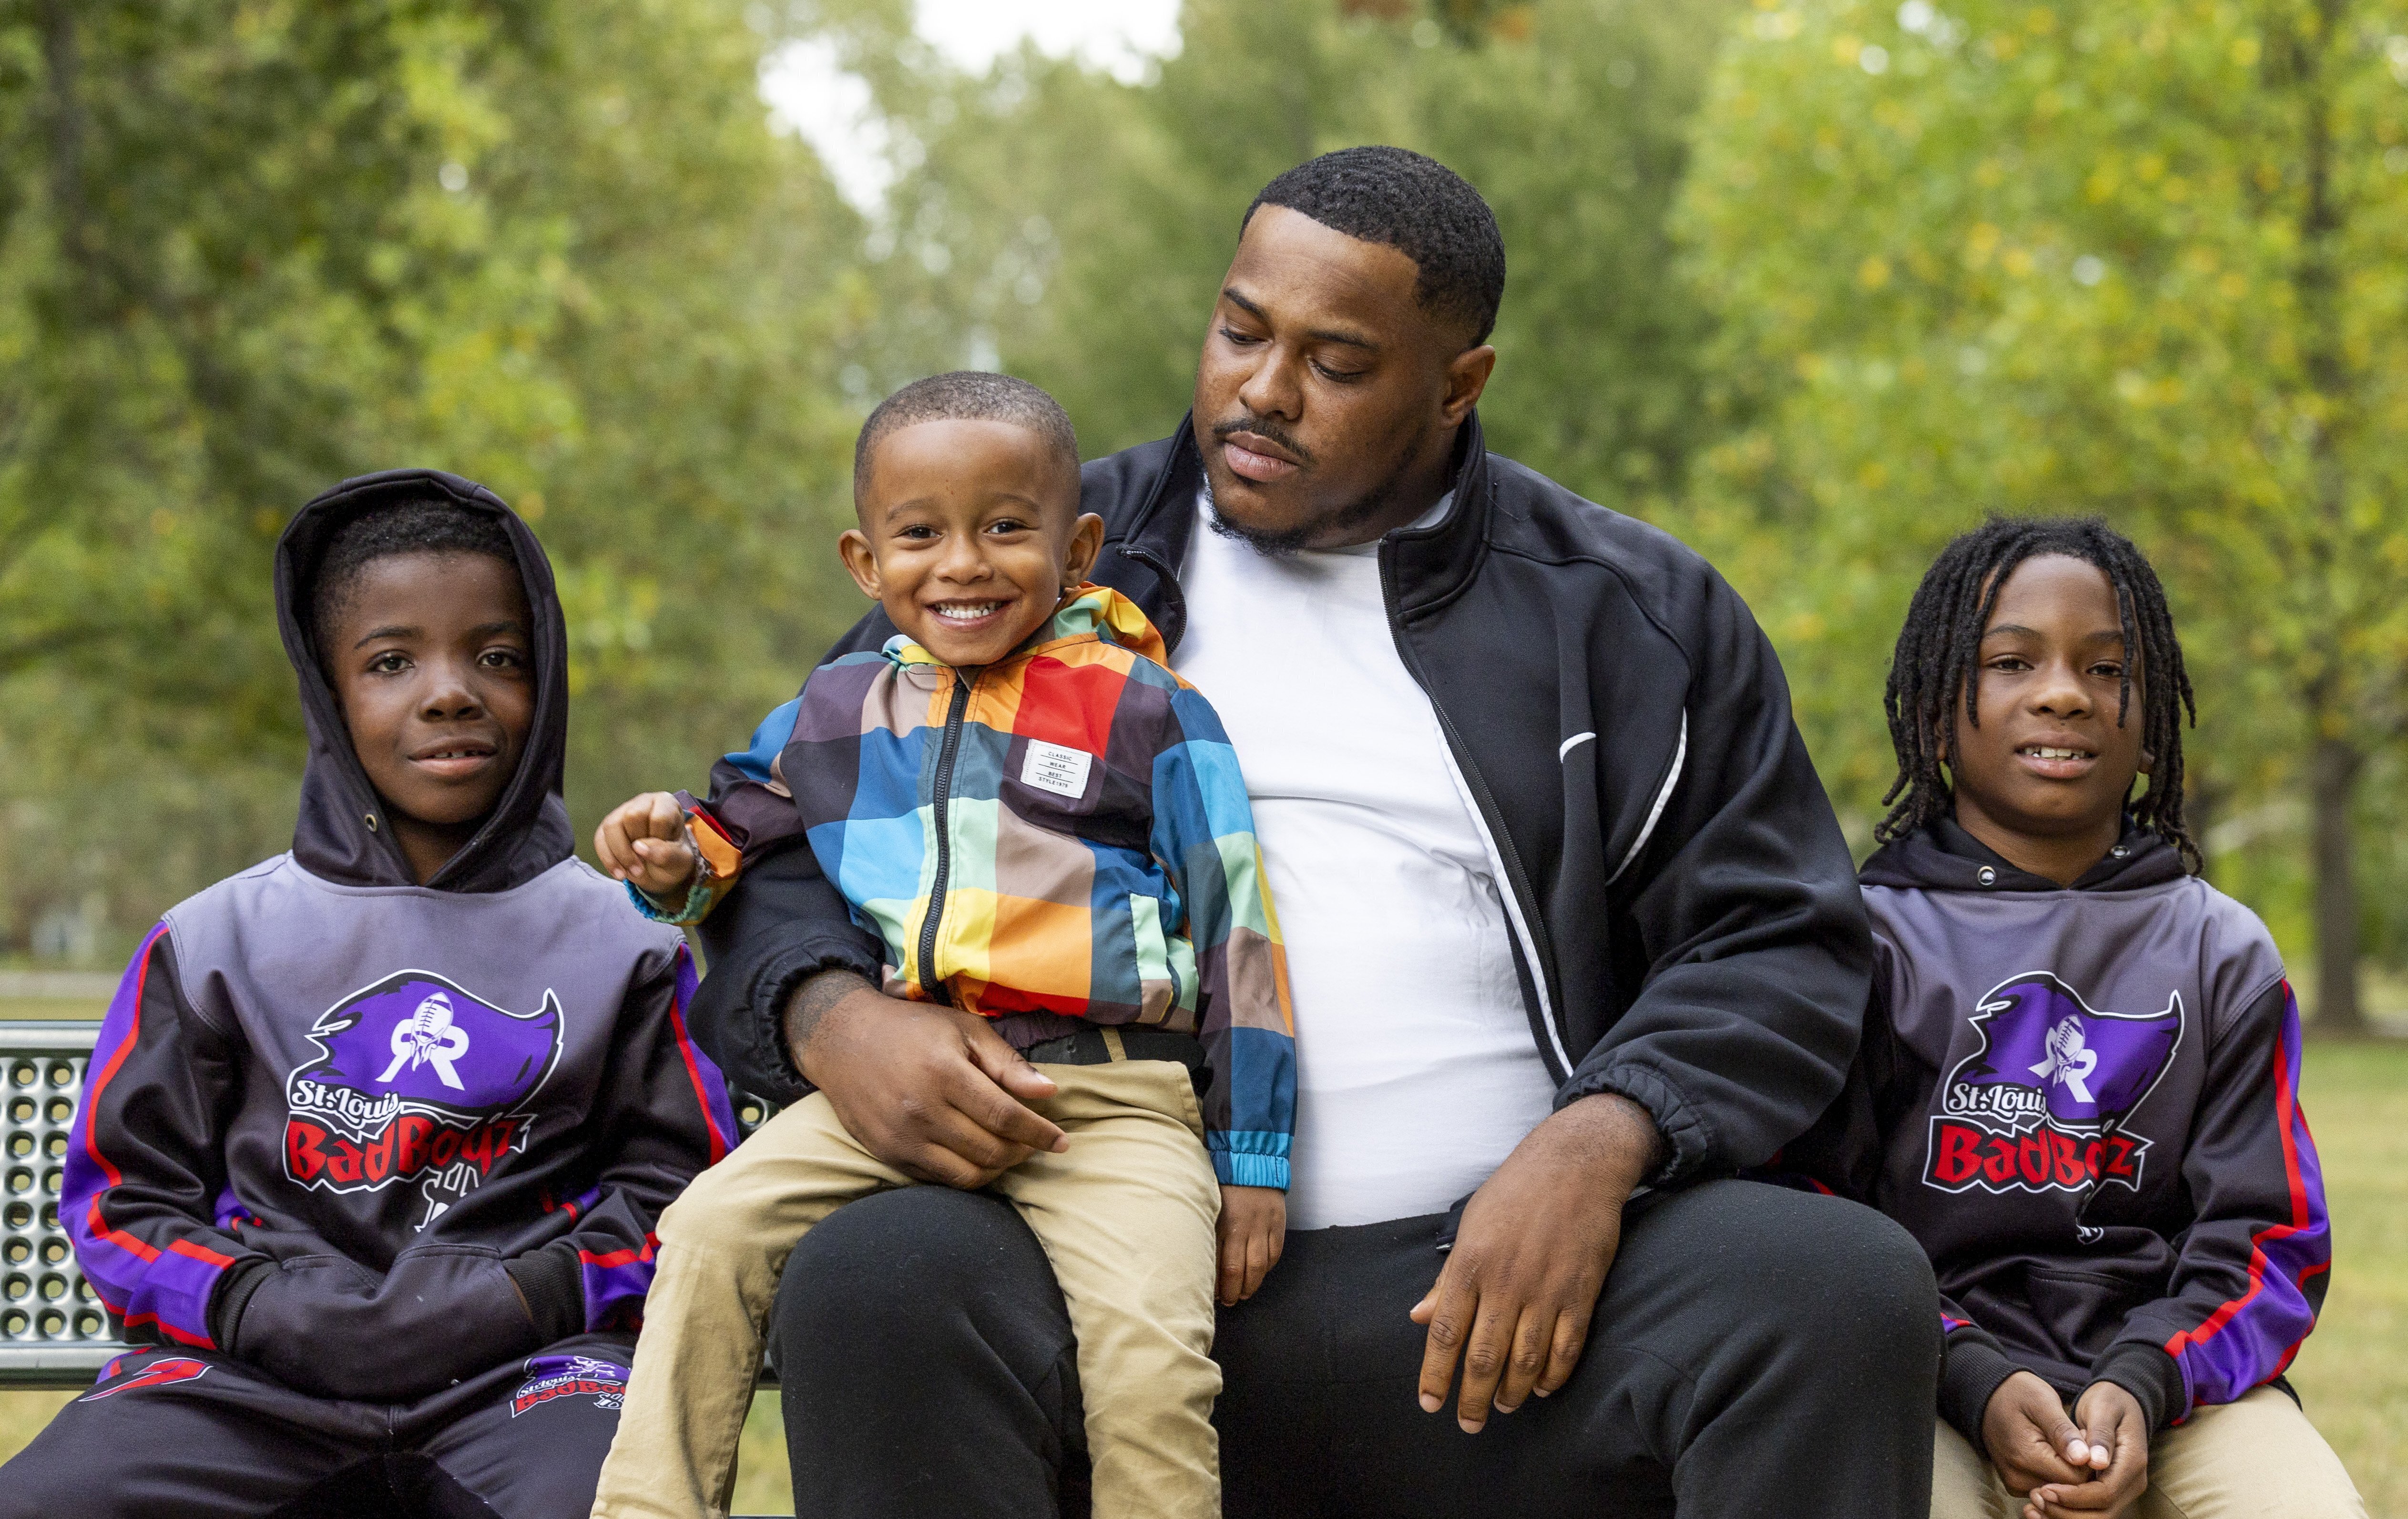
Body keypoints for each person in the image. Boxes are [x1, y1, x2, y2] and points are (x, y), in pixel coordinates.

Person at [685, 146, 1942, 1518]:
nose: (1261, 391)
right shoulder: (1014, 551)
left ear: (1457, 386)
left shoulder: (1623, 614)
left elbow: (1780, 938)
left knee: (1833, 1292)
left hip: (1509, 1312)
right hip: (1095, 1231)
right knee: (878, 1279)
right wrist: (825, 1016)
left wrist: (1605, 1136)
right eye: (1239, 330)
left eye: (1336, 364)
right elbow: (774, 825)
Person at [585, 372, 1295, 1519]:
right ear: (867, 565)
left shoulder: (1147, 709)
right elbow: (730, 837)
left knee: (1156, 1367)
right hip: (912, 1089)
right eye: (921, 535)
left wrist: (1254, 1158)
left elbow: (1240, 939)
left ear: (1078, 548)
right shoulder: (833, 711)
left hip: (1109, 1105)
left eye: (1006, 528)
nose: (963, 564)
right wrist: (666, 858)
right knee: (706, 1230)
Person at [0, 470, 739, 1519]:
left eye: (498, 657)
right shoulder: (214, 940)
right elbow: (123, 1205)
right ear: (330, 693)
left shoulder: (626, 942)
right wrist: (258, 1303)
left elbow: (683, 1197)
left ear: (548, 682)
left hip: (528, 1376)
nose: (449, 691)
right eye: (392, 662)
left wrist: (524, 1294)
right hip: (250, 1378)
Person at [1789, 517, 2361, 1519]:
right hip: (1926, 1378)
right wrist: (1967, 1372)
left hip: (2173, 1387)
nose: (2064, 692)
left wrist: (2146, 1375)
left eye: (2108, 668)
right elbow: (1807, 1210)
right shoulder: (1861, 946)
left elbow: (2268, 1239)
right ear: (1934, 711)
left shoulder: (2220, 951)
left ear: (2152, 724)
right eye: (2012, 662)